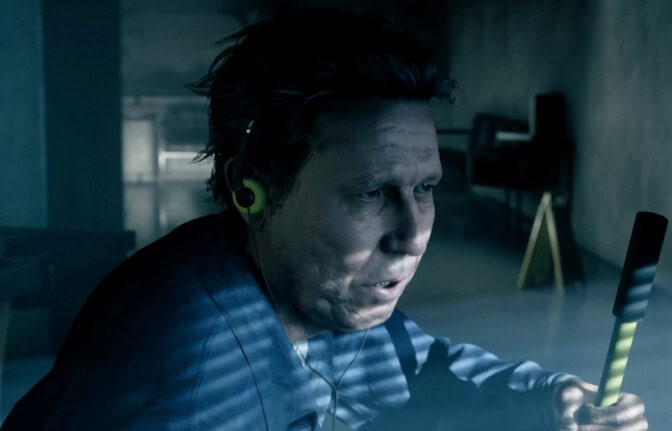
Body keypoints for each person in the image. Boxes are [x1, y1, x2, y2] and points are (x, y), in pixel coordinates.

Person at [1, 9, 647, 431]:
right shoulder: (186, 385)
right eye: (369, 194)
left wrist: (546, 395)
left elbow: (414, 362)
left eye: (425, 188)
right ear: (251, 188)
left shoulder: (312, 287)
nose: (414, 235)